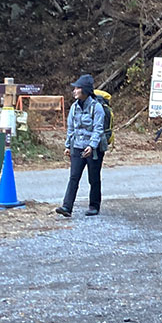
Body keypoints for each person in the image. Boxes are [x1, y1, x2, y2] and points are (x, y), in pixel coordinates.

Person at [55, 74, 106, 218]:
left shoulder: (97, 108)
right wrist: (68, 146)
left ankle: (94, 206)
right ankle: (67, 206)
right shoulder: (74, 107)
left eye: (77, 88)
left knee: (93, 178)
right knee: (74, 177)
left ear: (85, 90)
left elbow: (98, 129)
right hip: (77, 146)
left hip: (94, 149)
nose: (74, 90)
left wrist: (92, 146)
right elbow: (71, 128)